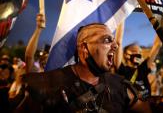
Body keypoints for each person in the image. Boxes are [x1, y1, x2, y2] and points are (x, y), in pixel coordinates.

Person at [12, 23, 154, 113]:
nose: (116, 46)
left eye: (114, 41)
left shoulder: (120, 85)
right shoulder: (46, 85)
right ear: (85, 49)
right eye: (106, 40)